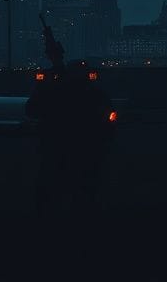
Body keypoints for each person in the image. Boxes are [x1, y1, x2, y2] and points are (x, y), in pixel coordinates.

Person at [26, 57, 115, 220]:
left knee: (54, 187)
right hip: (85, 148)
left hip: (58, 146)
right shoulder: (95, 94)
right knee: (83, 189)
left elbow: (32, 110)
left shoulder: (54, 91)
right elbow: (108, 120)